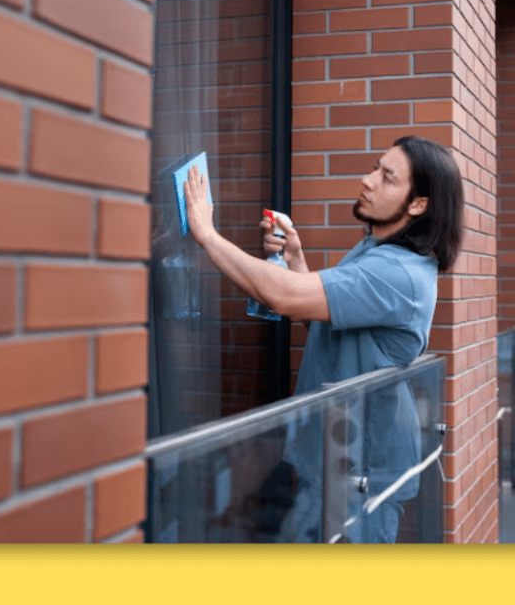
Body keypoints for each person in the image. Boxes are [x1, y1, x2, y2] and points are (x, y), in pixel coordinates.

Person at [183, 135, 464, 542]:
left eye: (387, 177)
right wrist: (295, 258)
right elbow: (322, 324)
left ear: (418, 204)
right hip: (335, 464)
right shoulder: (375, 250)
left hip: (360, 478)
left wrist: (207, 235)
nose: (367, 181)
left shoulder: (398, 273)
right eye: (374, 168)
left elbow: (283, 296)